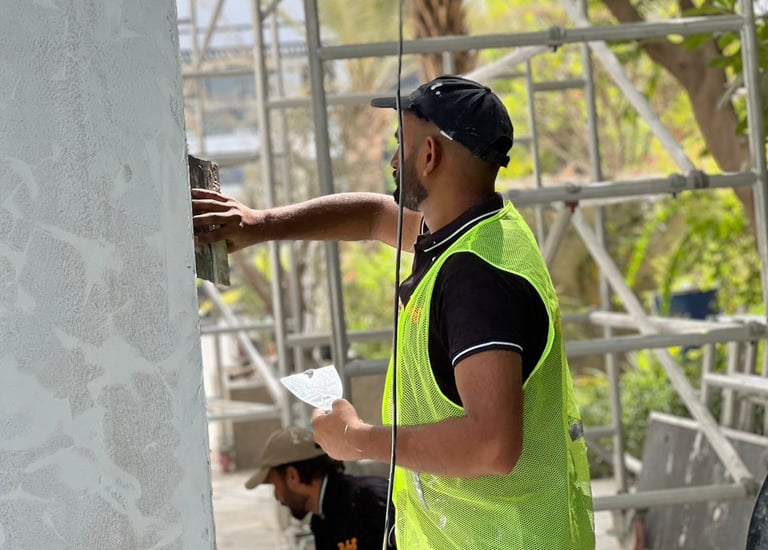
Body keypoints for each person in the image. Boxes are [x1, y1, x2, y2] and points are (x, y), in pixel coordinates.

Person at [194, 75, 595, 549]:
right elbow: (372, 216)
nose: (392, 160)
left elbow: (492, 446)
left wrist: (357, 439)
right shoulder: (477, 231)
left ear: (430, 154)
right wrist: (261, 224)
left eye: (400, 143)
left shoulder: (476, 280)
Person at [244, 426, 394, 550]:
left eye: (275, 485)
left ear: (292, 477)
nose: (276, 496)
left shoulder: (370, 499)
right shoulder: (322, 522)